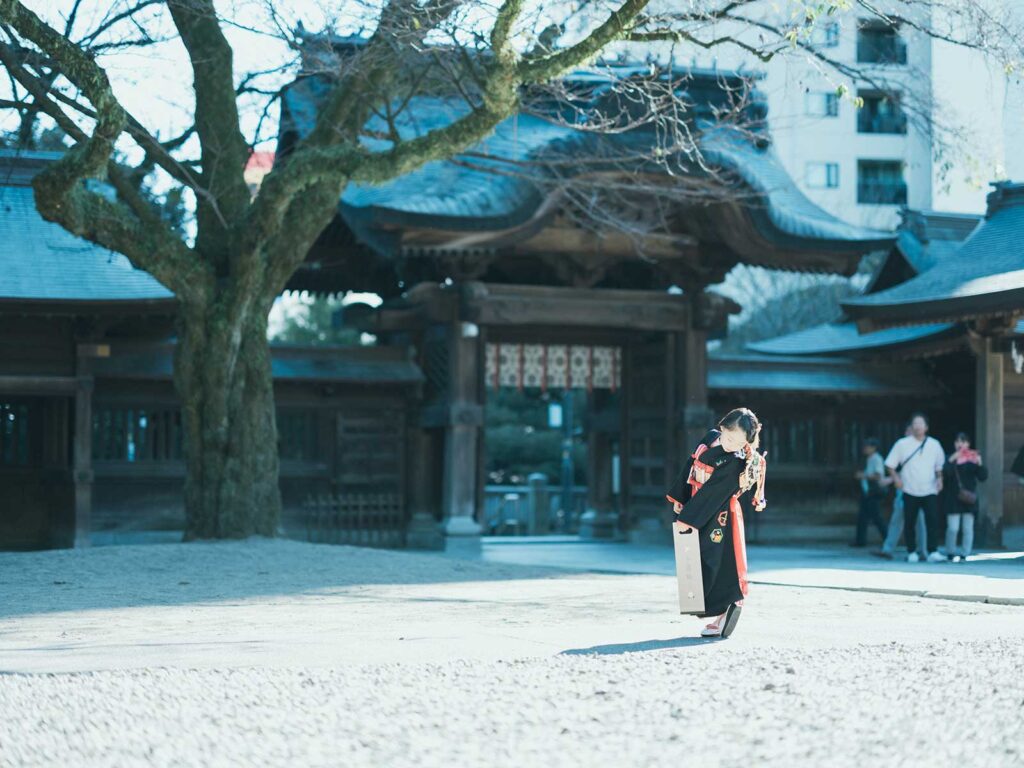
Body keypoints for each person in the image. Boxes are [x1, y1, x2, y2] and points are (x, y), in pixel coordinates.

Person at [666, 407, 766, 639]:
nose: (732, 445)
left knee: (717, 559)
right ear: (721, 427)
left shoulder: (735, 461)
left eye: (739, 442)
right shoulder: (710, 438)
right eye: (729, 437)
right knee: (703, 558)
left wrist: (688, 519)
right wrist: (680, 498)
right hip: (697, 503)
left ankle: (730, 604)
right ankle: (724, 610)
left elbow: (713, 492)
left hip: (719, 511)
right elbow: (689, 466)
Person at [884, 413, 946, 563]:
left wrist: (940, 479)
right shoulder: (902, 444)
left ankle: (933, 551)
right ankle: (911, 551)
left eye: (921, 423)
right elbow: (890, 464)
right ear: (911, 427)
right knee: (910, 522)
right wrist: (896, 478)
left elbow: (939, 466)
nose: (918, 426)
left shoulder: (934, 444)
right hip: (909, 488)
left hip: (929, 489)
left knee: (932, 521)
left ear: (926, 427)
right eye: (915, 424)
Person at [876, 423, 927, 560]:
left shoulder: (925, 448)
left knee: (919, 522)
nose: (908, 433)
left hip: (918, 491)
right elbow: (896, 468)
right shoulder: (902, 447)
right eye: (907, 430)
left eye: (910, 430)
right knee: (897, 520)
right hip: (903, 492)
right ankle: (888, 549)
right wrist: (891, 479)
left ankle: (923, 551)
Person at [943, 432, 987, 562]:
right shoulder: (950, 458)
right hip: (953, 497)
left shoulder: (973, 458)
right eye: (957, 441)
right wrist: (952, 459)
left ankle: (964, 553)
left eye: (963, 441)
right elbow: (945, 473)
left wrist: (979, 464)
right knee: (953, 528)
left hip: (969, 498)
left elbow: (983, 477)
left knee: (968, 528)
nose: (960, 444)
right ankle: (950, 552)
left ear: (968, 444)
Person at [852, 438, 887, 547]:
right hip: (867, 492)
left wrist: (863, 476)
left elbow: (878, 475)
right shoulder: (869, 459)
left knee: (877, 517)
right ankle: (860, 541)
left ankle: (888, 540)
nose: (865, 449)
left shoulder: (877, 459)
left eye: (867, 447)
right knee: (862, 517)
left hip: (874, 492)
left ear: (873, 448)